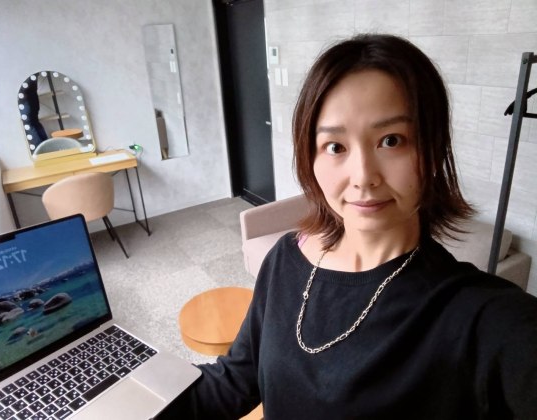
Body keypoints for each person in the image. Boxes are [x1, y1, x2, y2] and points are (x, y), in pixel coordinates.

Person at [161, 33, 537, 419]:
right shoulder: (285, 260)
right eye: (335, 147)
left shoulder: (482, 316)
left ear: (434, 148)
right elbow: (234, 382)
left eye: (392, 140)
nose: (363, 177)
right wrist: (141, 394)